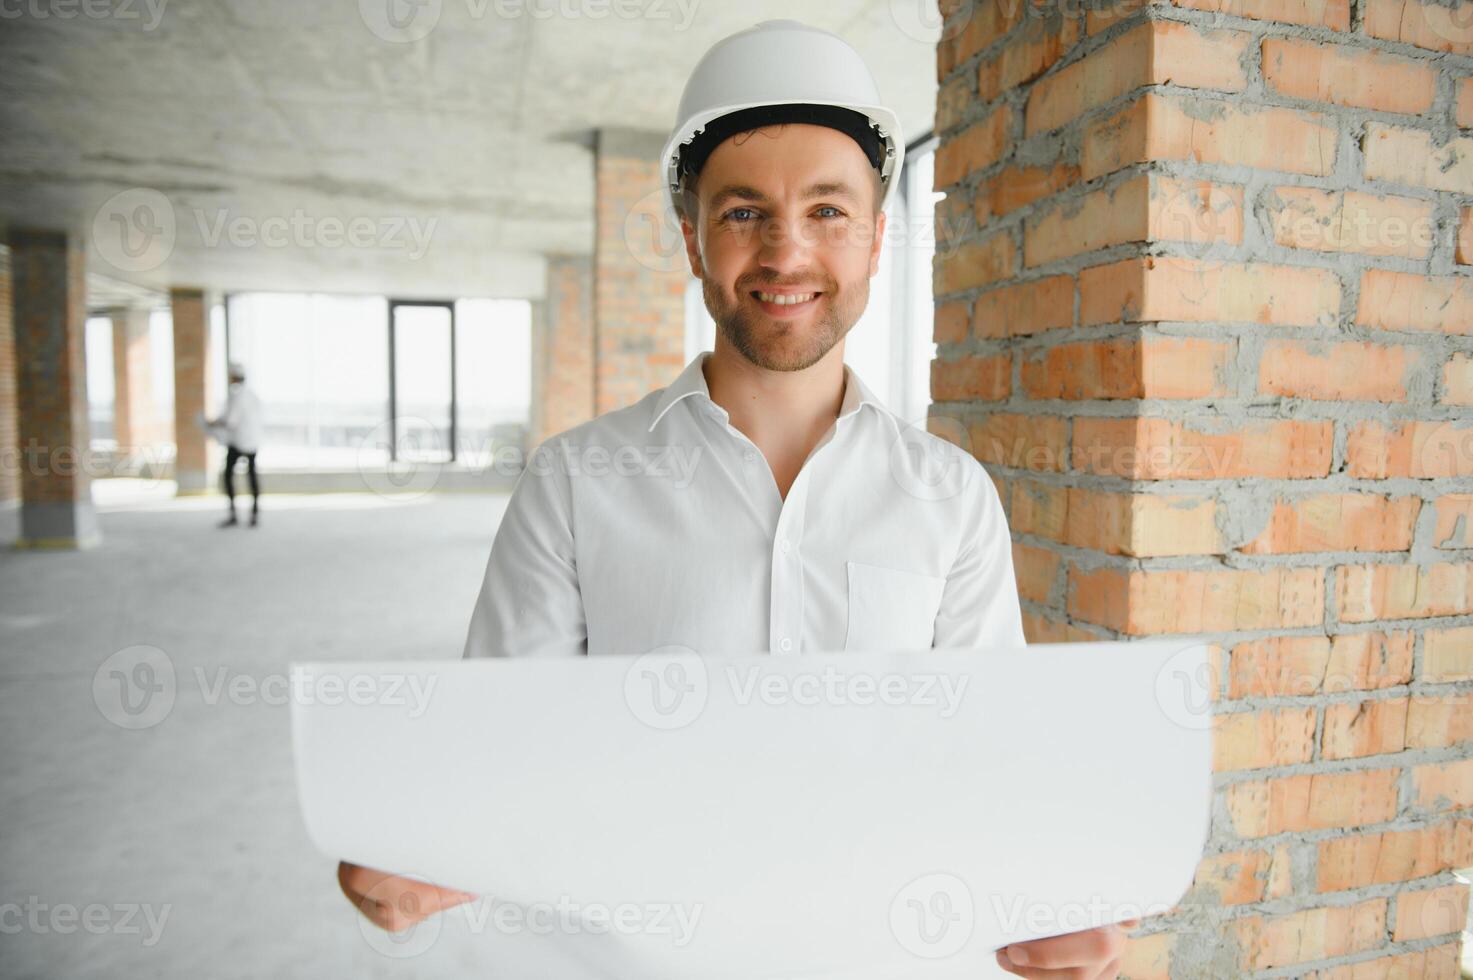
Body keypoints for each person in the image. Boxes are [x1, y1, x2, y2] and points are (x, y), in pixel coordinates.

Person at [338, 21, 1133, 978]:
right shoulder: (575, 483)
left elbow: (981, 766)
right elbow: (502, 759)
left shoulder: (949, 496)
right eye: (743, 212)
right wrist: (425, 847)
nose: (785, 253)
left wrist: (1040, 901)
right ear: (693, 239)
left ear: (879, 239)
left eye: (827, 212)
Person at [208, 362, 263, 528]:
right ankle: (254, 513)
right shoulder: (253, 395)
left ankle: (233, 515)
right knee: (252, 475)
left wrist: (213, 424)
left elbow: (230, 421)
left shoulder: (236, 395)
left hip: (238, 442)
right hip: (253, 441)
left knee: (228, 476)